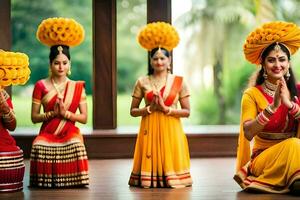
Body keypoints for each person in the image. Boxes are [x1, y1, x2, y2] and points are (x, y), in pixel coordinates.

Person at [234, 21, 300, 193]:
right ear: (263, 65)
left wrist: (289, 105)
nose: (277, 65)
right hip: (264, 157)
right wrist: (273, 107)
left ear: (289, 63)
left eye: (282, 59)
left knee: (295, 146)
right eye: (271, 60)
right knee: (293, 144)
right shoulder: (252, 95)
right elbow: (248, 132)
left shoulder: (298, 91)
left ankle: (293, 180)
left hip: (296, 155)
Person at [128, 21, 193, 188]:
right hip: (149, 128)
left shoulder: (179, 82)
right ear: (150, 61)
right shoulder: (142, 81)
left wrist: (166, 109)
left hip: (171, 129)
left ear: (169, 60)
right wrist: (149, 108)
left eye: (162, 58)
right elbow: (133, 111)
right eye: (155, 58)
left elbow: (187, 112)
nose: (159, 62)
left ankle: (171, 178)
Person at [29, 17, 89, 188]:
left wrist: (65, 114)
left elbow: (84, 118)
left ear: (70, 64)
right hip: (48, 131)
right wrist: (52, 114)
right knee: (39, 145)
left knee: (76, 143)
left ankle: (75, 181)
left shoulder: (77, 86)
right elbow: (34, 118)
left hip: (69, 130)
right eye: (56, 63)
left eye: (64, 63)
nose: (61, 67)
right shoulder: (41, 85)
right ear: (50, 64)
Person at [0, 50, 30, 192]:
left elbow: (12, 126)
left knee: (10, 150)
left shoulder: (3, 94)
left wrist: (5, 109)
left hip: (2, 138)